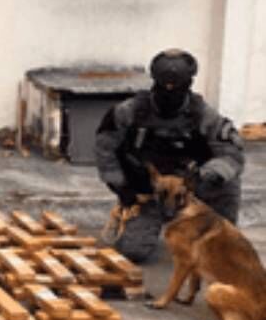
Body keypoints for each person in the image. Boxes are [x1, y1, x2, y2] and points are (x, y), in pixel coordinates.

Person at [94, 48, 244, 262]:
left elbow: (231, 154)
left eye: (177, 88)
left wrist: (206, 175)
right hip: (148, 190)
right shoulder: (130, 111)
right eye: (164, 87)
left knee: (227, 185)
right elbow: (105, 148)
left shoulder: (203, 114)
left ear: (189, 85)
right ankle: (129, 218)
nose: (170, 93)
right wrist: (121, 186)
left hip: (191, 185)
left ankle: (220, 236)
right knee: (133, 252)